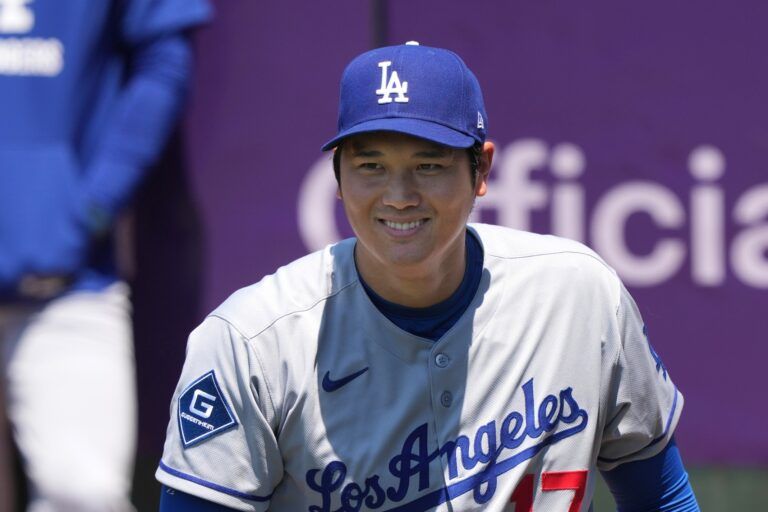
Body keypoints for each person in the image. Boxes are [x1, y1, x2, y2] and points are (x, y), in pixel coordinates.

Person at [156, 42, 700, 511]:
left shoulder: (580, 296)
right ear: (338, 178)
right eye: (371, 165)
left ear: (481, 170)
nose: (398, 195)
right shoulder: (250, 341)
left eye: (429, 164)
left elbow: (659, 497)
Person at [0, 0, 211, 510]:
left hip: (65, 283)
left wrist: (90, 207)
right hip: (63, 265)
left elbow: (164, 61)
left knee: (85, 497)